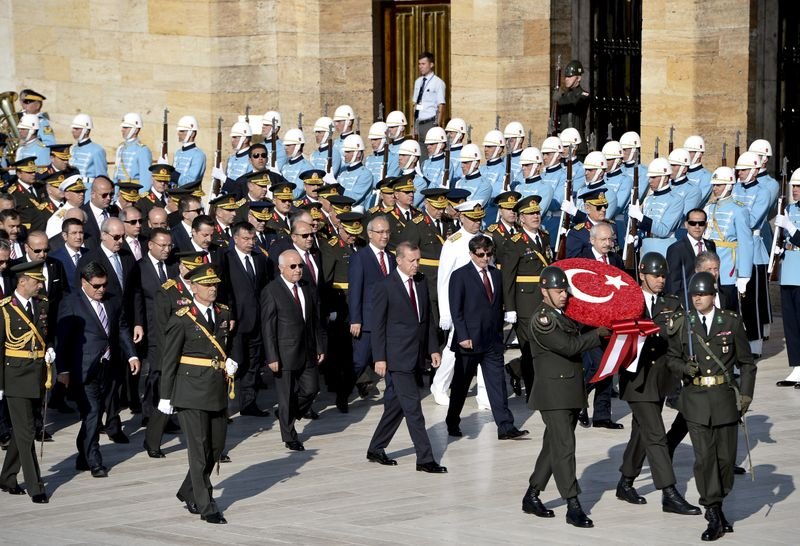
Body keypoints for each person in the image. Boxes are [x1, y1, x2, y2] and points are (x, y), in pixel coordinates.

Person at [666, 272, 756, 541]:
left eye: (702, 294)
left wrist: (746, 396)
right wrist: (684, 367)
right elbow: (671, 359)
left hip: (724, 399)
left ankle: (719, 502)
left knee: (726, 460)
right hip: (695, 399)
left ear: (713, 296)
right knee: (704, 459)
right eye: (694, 294)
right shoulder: (684, 323)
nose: (697, 299)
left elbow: (747, 363)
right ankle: (713, 511)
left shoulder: (730, 321)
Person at [522, 266, 609, 527]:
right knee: (565, 447)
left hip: (570, 391)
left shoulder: (564, 314)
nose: (563, 295)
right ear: (544, 291)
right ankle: (573, 504)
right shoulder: (542, 319)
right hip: (553, 395)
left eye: (564, 291)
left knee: (553, 447)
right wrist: (599, 334)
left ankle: (532, 495)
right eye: (558, 291)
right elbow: (569, 346)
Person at [615, 252, 700, 515]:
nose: (661, 280)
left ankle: (626, 481)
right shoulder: (628, 301)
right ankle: (669, 492)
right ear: (642, 275)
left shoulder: (672, 303)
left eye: (663, 275)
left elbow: (679, 337)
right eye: (655, 275)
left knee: (641, 431)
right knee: (655, 434)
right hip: (637, 378)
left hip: (661, 378)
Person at [159, 265, 235, 524]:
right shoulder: (182, 318)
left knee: (216, 446)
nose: (212, 288)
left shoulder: (223, 313)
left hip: (215, 388)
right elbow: (169, 360)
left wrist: (229, 362)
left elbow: (222, 348)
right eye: (206, 284)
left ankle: (187, 490)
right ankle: (206, 504)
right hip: (189, 391)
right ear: (193, 287)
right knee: (199, 449)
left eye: (215, 284)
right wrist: (165, 396)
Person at [366, 241, 445, 472]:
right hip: (397, 356)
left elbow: (427, 319)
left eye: (418, 260)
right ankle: (425, 459)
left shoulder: (420, 282)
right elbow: (378, 325)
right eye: (412, 260)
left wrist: (433, 349)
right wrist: (379, 357)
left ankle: (376, 447)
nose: (416, 265)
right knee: (414, 409)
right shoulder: (385, 286)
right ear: (398, 260)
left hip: (418, 354)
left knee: (397, 406)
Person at [56, 261, 140, 477]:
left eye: (104, 285)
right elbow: (63, 340)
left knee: (95, 412)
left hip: (109, 367)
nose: (101, 289)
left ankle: (83, 454)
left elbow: (121, 328)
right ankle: (95, 461)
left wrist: (131, 354)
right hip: (83, 369)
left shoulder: (112, 301)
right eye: (96, 286)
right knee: (92, 413)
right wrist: (63, 369)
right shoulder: (71, 303)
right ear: (84, 283)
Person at [446, 235, 528, 440]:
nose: (485, 258)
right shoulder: (460, 275)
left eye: (488, 254)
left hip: (492, 339)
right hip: (469, 341)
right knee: (461, 384)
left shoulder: (496, 274)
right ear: (471, 254)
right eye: (481, 255)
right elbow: (456, 310)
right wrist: (463, 336)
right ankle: (452, 420)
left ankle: (505, 426)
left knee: (497, 384)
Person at [261, 250, 324, 452]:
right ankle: (289, 436)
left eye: (300, 266)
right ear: (281, 268)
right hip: (284, 352)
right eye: (293, 266)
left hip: (308, 349)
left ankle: (287, 414)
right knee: (286, 396)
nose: (298, 270)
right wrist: (272, 356)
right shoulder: (271, 290)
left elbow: (314, 320)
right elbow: (268, 326)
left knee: (311, 389)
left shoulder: (306, 287)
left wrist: (320, 346)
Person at [0, 261, 51, 503]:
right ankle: (35, 486)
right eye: (36, 281)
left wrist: (51, 350)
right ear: (22, 282)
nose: (40, 284)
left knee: (24, 431)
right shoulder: (5, 309)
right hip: (15, 377)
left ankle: (7, 476)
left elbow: (46, 335)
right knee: (27, 431)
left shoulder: (42, 304)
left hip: (37, 375)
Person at [431, 201, 489, 408]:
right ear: (461, 218)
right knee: (454, 350)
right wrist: (446, 312)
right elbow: (444, 278)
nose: (477, 223)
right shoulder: (453, 243)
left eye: (479, 218)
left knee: (486, 350)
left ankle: (484, 394)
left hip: (483, 305)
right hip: (461, 306)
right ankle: (439, 385)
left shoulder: (487, 239)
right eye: (472, 219)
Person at [219, 222, 272, 417]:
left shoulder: (259, 259)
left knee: (253, 363)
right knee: (235, 362)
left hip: (257, 320)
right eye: (246, 239)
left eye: (253, 239)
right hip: (237, 320)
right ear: (235, 239)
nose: (250, 243)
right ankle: (223, 406)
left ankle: (249, 403)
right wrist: (229, 315)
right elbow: (224, 290)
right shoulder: (226, 258)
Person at [502, 195, 552, 398]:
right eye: (530, 214)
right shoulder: (514, 242)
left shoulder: (544, 237)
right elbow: (508, 277)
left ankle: (516, 368)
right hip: (524, 304)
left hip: (544, 301)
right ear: (521, 218)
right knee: (530, 348)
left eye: (537, 212)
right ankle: (533, 391)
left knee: (545, 347)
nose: (535, 216)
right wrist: (510, 307)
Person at [135, 228, 179, 457]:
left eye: (169, 245)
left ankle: (165, 419)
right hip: (153, 332)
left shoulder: (173, 268)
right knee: (158, 378)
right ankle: (151, 417)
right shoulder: (140, 268)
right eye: (162, 245)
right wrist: (138, 324)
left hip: (175, 332)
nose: (166, 249)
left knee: (167, 382)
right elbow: (136, 300)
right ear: (150, 245)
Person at [577, 222, 625, 430]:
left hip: (611, 321)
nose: (608, 243)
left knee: (609, 366)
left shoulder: (615, 259)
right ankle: (579, 401)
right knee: (596, 365)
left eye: (611, 239)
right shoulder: (583, 260)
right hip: (589, 324)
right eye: (604, 240)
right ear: (592, 240)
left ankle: (602, 415)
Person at [347, 216, 395, 405]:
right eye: (380, 232)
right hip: (367, 321)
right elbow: (355, 291)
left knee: (391, 360)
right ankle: (344, 394)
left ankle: (392, 395)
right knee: (359, 361)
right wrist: (355, 319)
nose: (384, 236)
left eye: (387, 232)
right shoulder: (360, 257)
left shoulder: (391, 257)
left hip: (388, 320)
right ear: (370, 234)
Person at [628, 157, 683, 258]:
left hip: (664, 248)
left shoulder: (675, 200)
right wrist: (637, 238)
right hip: (645, 247)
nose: (650, 181)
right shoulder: (648, 199)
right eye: (650, 177)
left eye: (653, 177)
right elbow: (644, 228)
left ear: (665, 178)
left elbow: (663, 230)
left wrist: (641, 217)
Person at [775, 169, 800, 386]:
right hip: (789, 270)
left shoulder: (790, 215)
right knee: (791, 323)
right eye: (794, 186)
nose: (795, 190)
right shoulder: (789, 209)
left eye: (799, 186)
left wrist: (790, 227)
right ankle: (797, 366)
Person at [665, 209, 717, 296]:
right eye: (692, 223)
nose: (697, 226)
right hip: (687, 299)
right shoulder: (676, 249)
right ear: (686, 225)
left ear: (706, 225)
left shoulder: (711, 245)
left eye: (701, 223)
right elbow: (673, 283)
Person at [412, 52, 446, 163]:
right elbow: (415, 104)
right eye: (419, 64)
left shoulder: (438, 82)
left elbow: (441, 104)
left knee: (431, 151)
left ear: (431, 65)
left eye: (423, 64)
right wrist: (414, 124)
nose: (420, 66)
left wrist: (438, 125)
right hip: (419, 122)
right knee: (420, 153)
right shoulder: (418, 82)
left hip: (430, 122)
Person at [555, 60, 590, 155]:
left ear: (578, 78)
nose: (566, 79)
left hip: (578, 145)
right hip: (563, 145)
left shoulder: (584, 95)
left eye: (570, 76)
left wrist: (559, 98)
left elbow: (575, 102)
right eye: (566, 76)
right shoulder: (563, 96)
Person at [114, 113, 153, 193]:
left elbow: (146, 179)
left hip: (132, 192)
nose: (122, 130)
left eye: (126, 127)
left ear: (135, 130)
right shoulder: (121, 147)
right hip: (119, 191)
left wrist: (141, 200)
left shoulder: (142, 150)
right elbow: (116, 174)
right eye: (123, 127)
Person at [69, 114, 108, 184]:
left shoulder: (97, 150)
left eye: (77, 129)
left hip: (88, 189)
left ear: (86, 131)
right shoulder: (73, 148)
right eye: (73, 128)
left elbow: (101, 176)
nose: (73, 131)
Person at [173, 116, 206, 186]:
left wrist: (171, 173)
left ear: (192, 134)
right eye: (179, 131)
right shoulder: (178, 152)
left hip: (189, 195)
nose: (178, 133)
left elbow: (189, 182)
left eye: (182, 131)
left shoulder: (199, 155)